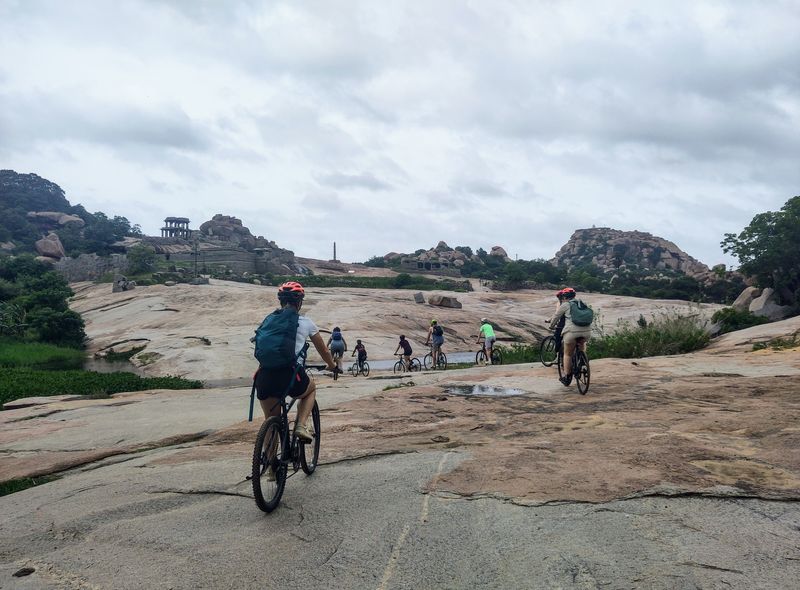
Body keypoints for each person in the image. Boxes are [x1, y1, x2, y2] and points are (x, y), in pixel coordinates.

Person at [255, 282, 337, 444]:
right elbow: (324, 351)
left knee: (271, 424)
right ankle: (301, 425)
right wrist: (333, 366)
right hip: (290, 375)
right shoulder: (306, 322)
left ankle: (268, 459)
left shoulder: (268, 320)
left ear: (281, 301)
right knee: (311, 389)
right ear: (299, 302)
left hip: (264, 375)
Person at [548, 287, 591, 386]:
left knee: (567, 354)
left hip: (571, 332)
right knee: (581, 344)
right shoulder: (582, 303)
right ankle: (582, 361)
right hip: (586, 332)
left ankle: (567, 377)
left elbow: (556, 317)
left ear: (564, 297)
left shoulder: (565, 305)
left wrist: (551, 326)